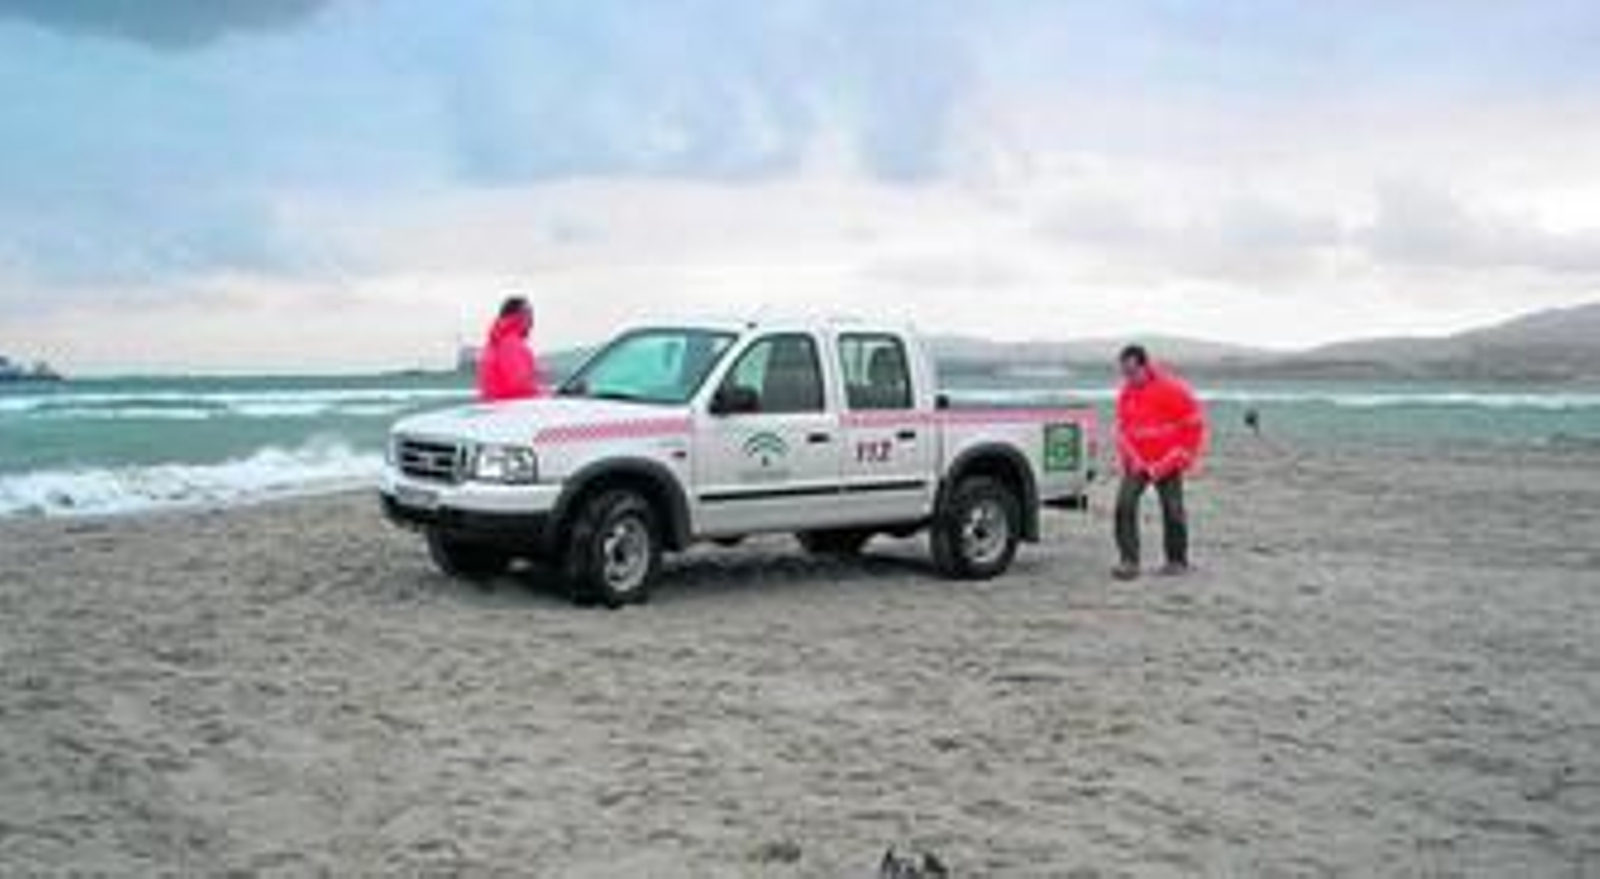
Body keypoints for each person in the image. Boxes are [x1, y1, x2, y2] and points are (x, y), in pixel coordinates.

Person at [1112, 345, 1206, 580]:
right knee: (1124, 505)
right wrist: (1131, 459)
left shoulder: (1173, 390)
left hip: (1168, 460)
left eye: (1132, 371)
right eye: (1124, 372)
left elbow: (1194, 425)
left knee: (1173, 510)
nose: (1129, 378)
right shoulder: (1126, 393)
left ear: (1145, 366)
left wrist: (1182, 457)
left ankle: (1176, 561)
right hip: (1138, 462)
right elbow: (1122, 430)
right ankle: (1129, 561)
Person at [477, 297, 542, 402]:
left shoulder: (497, 341)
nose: (531, 320)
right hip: (512, 411)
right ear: (517, 316)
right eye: (528, 313)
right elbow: (520, 385)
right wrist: (544, 397)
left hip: (496, 410)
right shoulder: (510, 344)